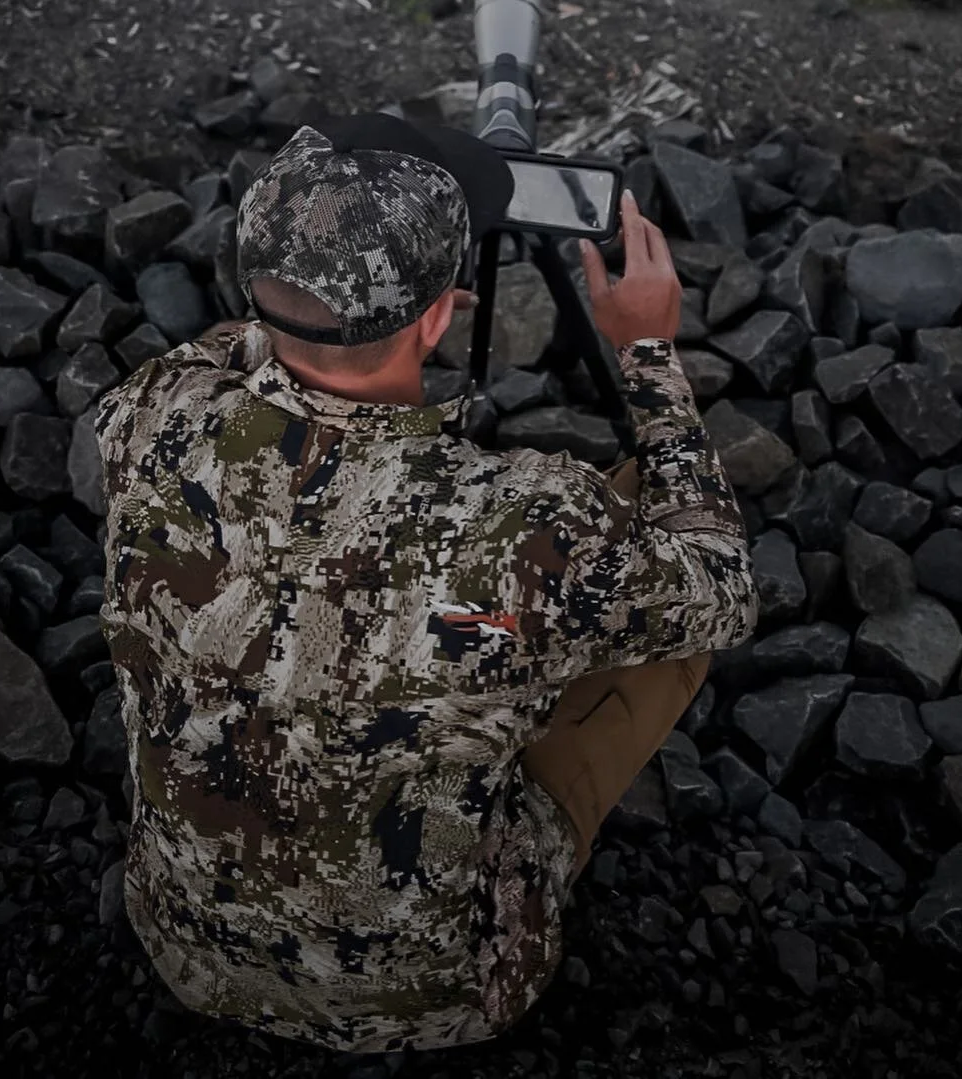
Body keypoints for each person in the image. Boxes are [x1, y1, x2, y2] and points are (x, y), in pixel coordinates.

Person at [95, 114, 757, 1055]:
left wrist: (322, 257)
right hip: (443, 991)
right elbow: (724, 586)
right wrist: (648, 353)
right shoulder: (531, 522)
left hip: (185, 948)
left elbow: (239, 342)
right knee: (658, 577)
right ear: (443, 314)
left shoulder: (151, 413)